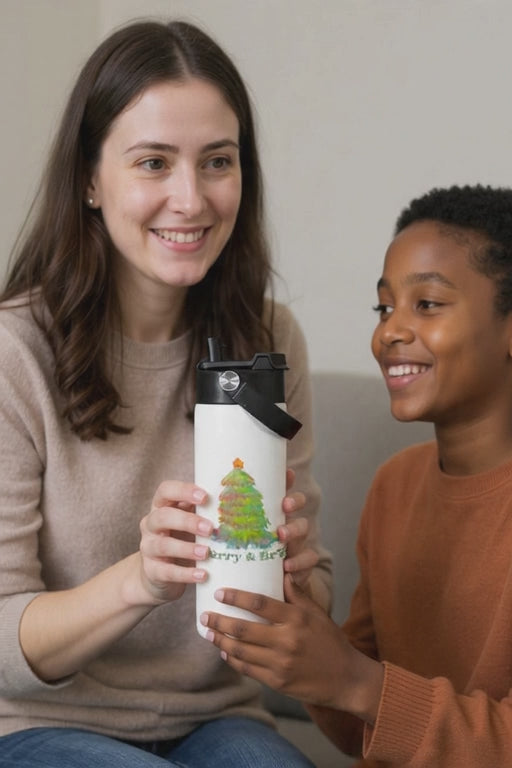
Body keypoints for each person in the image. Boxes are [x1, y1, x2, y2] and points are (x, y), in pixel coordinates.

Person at [0, 18, 332, 768]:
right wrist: (142, 580)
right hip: (38, 725)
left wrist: (292, 580)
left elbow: (312, 613)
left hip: (219, 720)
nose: (191, 199)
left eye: (217, 161)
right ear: (89, 179)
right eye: (154, 162)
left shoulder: (269, 340)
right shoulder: (14, 353)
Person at [202, 184, 512, 767]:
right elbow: (357, 726)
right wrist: (302, 626)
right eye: (384, 307)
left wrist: (354, 680)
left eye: (427, 304)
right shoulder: (395, 485)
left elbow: (363, 687)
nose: (389, 331)